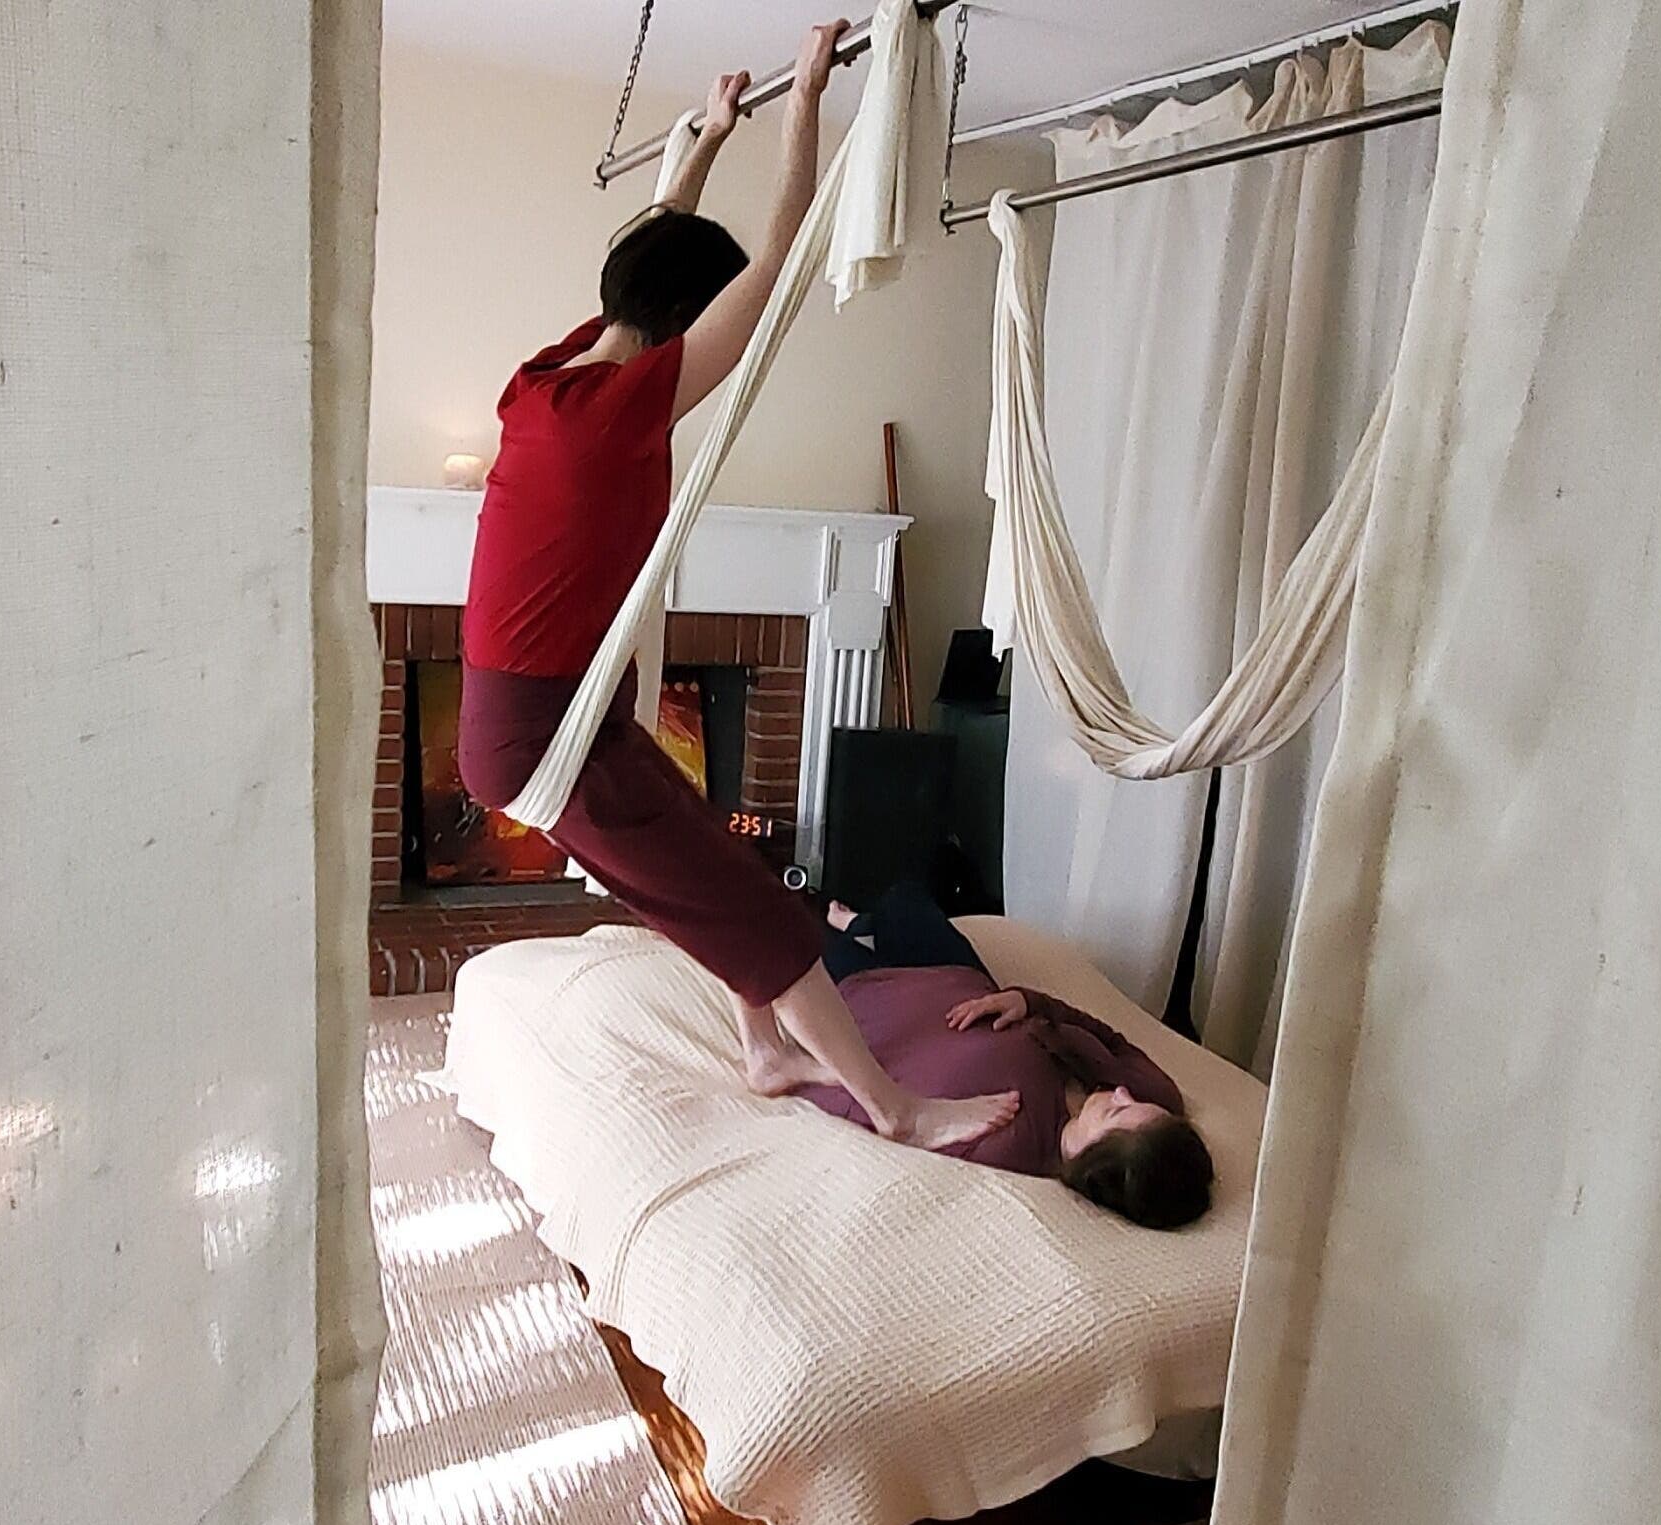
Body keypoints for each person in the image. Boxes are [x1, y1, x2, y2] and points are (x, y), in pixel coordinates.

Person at [457, 21, 1019, 1156]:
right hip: (541, 735)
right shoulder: (621, 421)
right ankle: (895, 1107)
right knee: (761, 911)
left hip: (556, 714)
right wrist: (807, 96)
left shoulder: (550, 380)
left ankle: (766, 1046)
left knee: (714, 868)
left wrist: (710, 139)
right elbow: (777, 266)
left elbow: (656, 253)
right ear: (680, 325)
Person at [790, 885, 1217, 1231]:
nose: (1121, 1092)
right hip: (957, 975)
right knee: (905, 901)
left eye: (1116, 1112)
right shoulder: (1155, 1098)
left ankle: (856, 935)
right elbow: (1111, 1038)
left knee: (786, 915)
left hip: (861, 999)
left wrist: (813, 1067)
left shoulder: (1006, 1143)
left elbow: (872, 1114)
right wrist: (1029, 1002)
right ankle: (864, 927)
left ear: (1092, 1158)